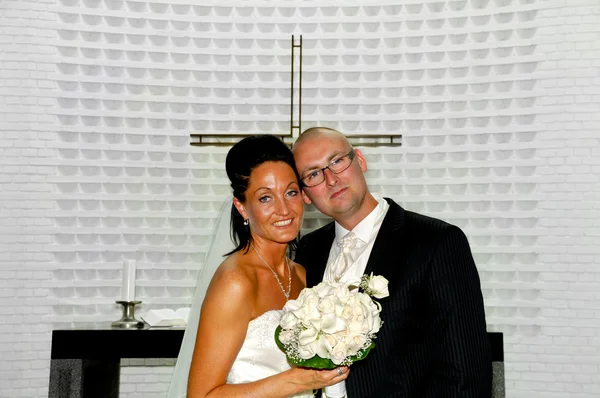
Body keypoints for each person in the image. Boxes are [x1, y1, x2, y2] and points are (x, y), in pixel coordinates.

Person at [292, 127, 492, 397]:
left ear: (360, 161)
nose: (331, 179)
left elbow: (466, 371)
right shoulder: (307, 250)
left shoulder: (436, 241)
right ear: (305, 195)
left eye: (337, 161)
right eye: (314, 174)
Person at [176, 134, 348, 398]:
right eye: (265, 198)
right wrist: (296, 382)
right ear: (242, 208)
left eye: (290, 192)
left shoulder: (301, 274)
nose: (284, 210)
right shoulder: (237, 281)